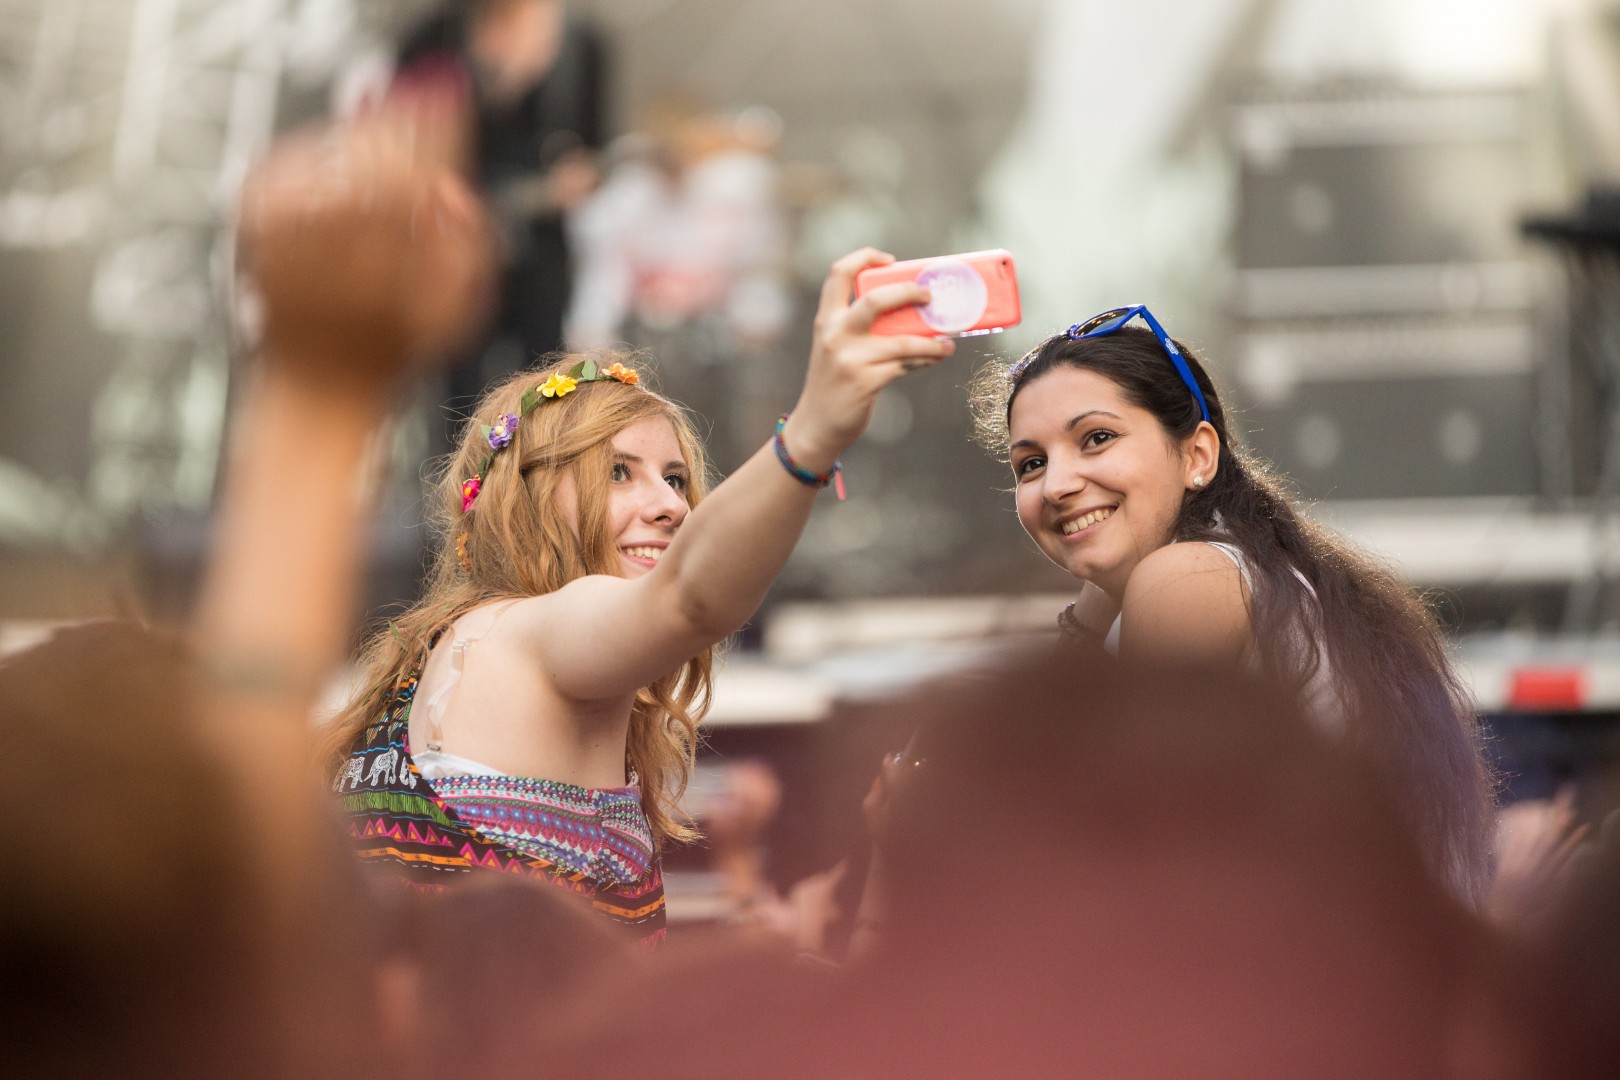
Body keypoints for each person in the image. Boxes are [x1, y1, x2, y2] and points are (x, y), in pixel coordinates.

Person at [321, 253, 955, 945]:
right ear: (523, 496)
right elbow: (689, 600)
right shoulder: (532, 631)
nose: (667, 506)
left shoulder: (454, 647)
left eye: (677, 479)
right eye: (618, 473)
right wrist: (814, 432)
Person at [968, 307, 1495, 903]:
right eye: (1030, 464)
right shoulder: (1235, 566)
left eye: (1097, 438)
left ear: (1197, 456)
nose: (1057, 483)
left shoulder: (1185, 577)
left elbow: (1127, 855)